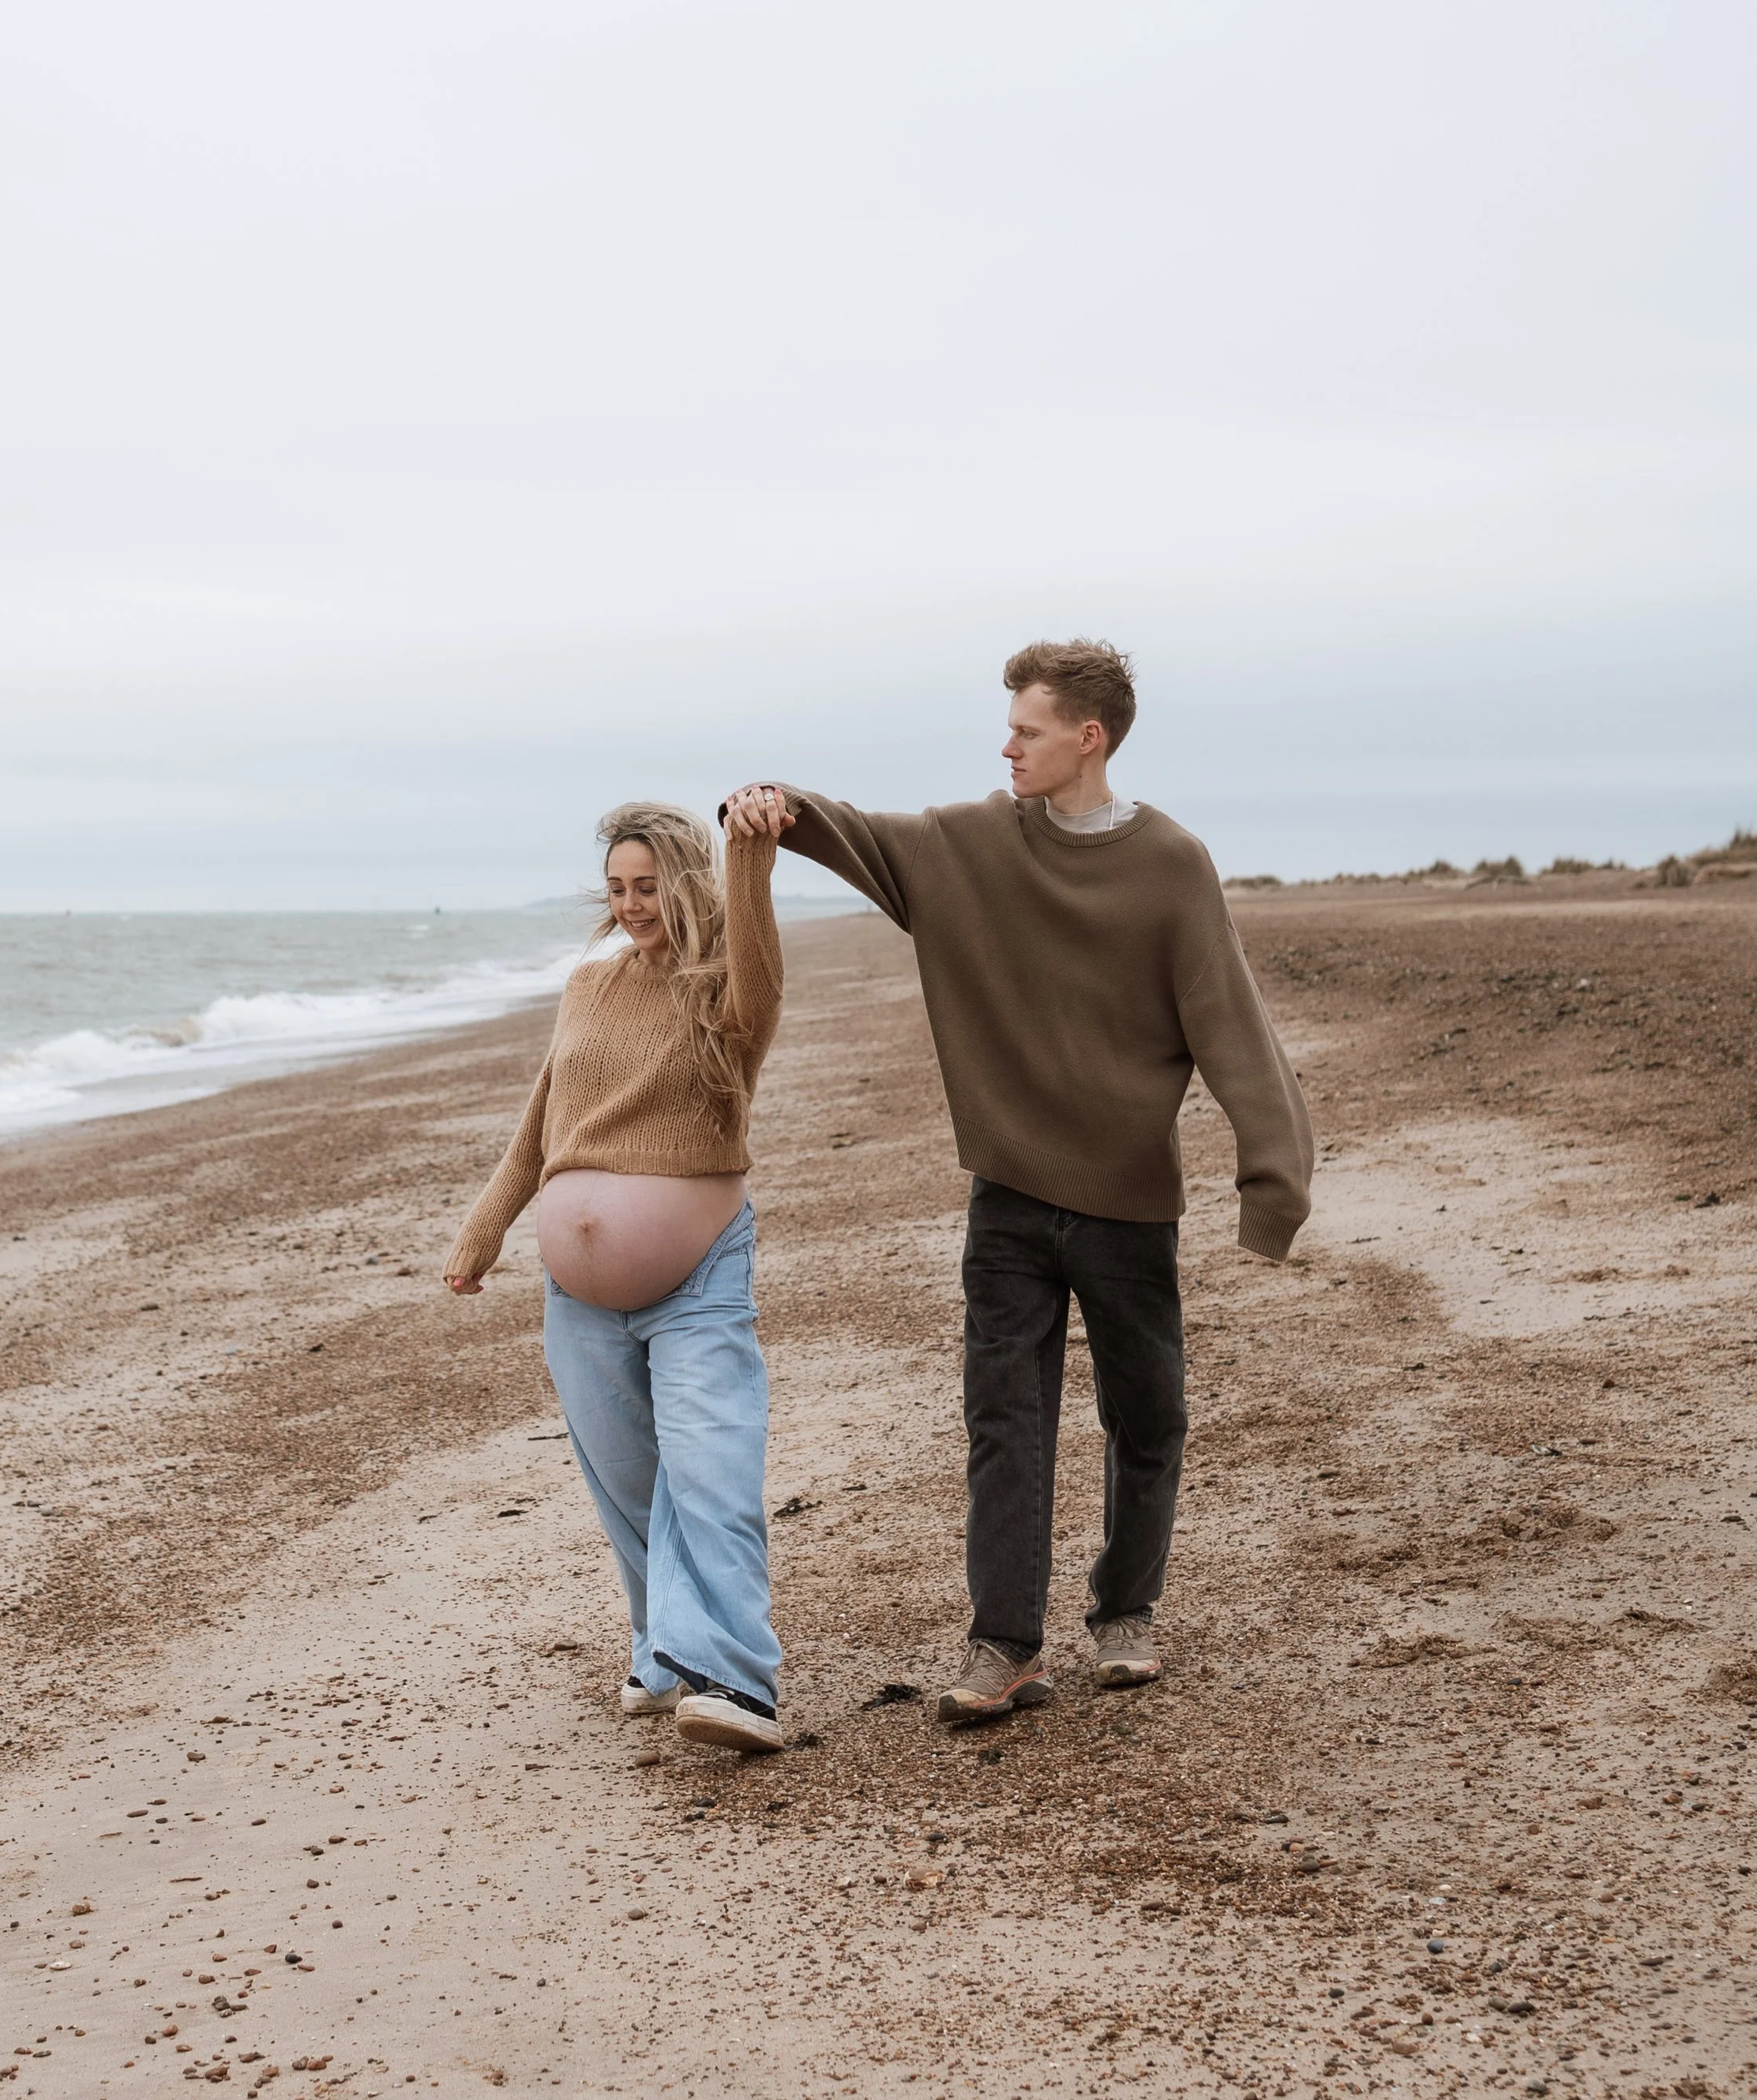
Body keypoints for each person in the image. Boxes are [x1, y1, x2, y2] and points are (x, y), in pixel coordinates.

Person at [723, 638, 1312, 1726]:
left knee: (1149, 1415)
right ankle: (1006, 1645)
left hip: (1130, 1200)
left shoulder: (1171, 862)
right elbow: (861, 834)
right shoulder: (972, 845)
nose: (1009, 746)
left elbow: (1231, 1023)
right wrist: (771, 807)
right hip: (1007, 1198)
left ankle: (1125, 1612)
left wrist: (1271, 1183)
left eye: (1028, 730)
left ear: (1088, 738)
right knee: (1005, 1417)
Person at [444, 797, 792, 1754]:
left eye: (649, 887)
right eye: (618, 889)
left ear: (685, 884)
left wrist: (748, 857)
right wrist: (486, 1229)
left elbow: (756, 978)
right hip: (579, 1295)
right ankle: (661, 1647)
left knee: (709, 1464)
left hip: (697, 1273)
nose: (633, 905)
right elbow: (542, 1120)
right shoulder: (588, 987)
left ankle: (735, 1676)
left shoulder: (726, 989)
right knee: (628, 1482)